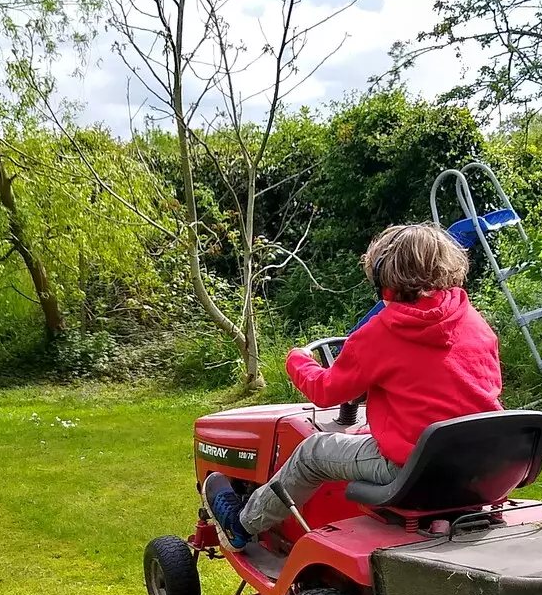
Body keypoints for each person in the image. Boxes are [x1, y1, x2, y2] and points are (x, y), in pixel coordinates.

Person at [204, 222, 505, 550]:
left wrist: (297, 359)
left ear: (384, 282)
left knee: (311, 452)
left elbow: (325, 391)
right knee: (362, 439)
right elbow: (473, 392)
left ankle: (242, 524)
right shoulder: (476, 323)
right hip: (480, 466)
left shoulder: (381, 333)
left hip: (412, 470)